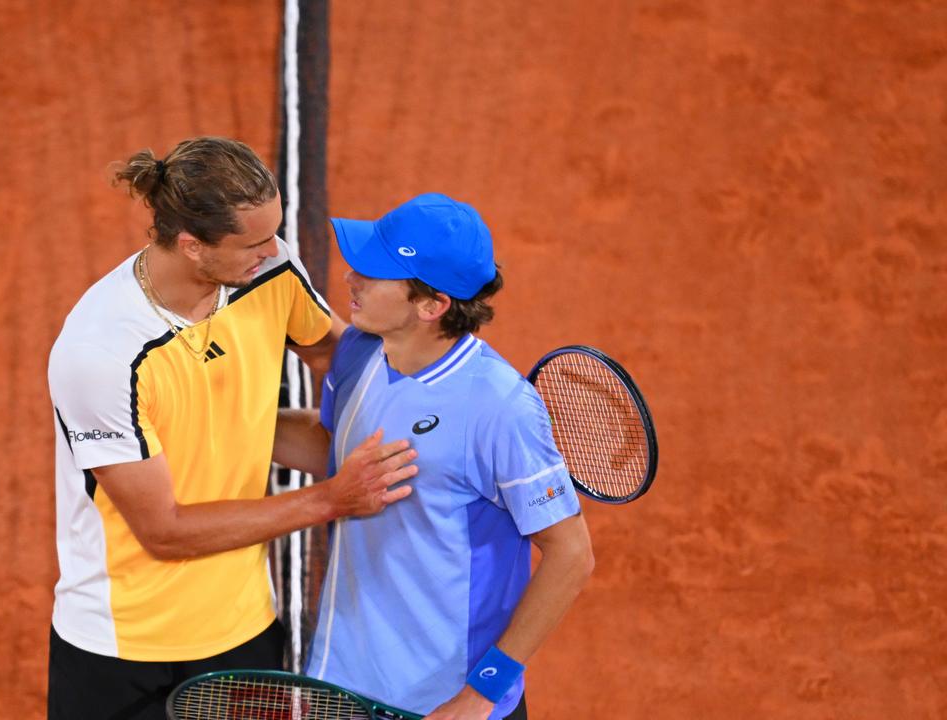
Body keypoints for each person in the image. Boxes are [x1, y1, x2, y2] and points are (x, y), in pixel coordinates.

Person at [45, 136, 418, 720]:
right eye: (255, 241)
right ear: (192, 245)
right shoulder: (102, 353)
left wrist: (443, 403)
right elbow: (163, 531)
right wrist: (330, 497)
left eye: (274, 233)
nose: (273, 251)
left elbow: (338, 357)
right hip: (124, 649)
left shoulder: (266, 270)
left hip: (244, 631)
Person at [273, 193, 595, 719]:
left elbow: (571, 555)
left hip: (440, 702)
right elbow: (336, 448)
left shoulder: (498, 407)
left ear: (431, 305)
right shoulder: (360, 351)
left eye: (375, 273)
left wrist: (480, 694)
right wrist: (227, 423)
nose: (352, 277)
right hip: (342, 683)